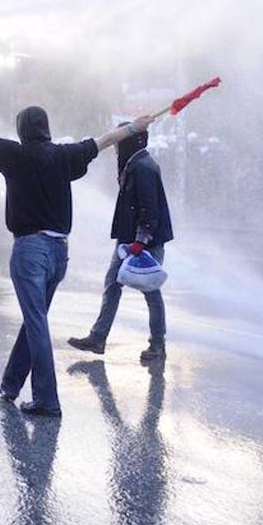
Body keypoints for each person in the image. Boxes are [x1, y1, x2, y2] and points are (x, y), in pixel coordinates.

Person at [0, 87, 154, 418]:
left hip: (30, 252)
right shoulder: (66, 156)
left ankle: (47, 400)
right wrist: (136, 127)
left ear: (22, 130)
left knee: (36, 323)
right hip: (59, 254)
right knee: (34, 319)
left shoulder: (13, 155)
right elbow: (105, 140)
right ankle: (10, 384)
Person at [68, 124, 173, 361]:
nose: (115, 147)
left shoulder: (142, 167)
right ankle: (98, 337)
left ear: (130, 142)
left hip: (143, 241)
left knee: (150, 289)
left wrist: (141, 240)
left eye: (119, 142)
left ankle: (157, 345)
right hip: (129, 240)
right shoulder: (136, 162)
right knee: (113, 284)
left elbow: (149, 208)